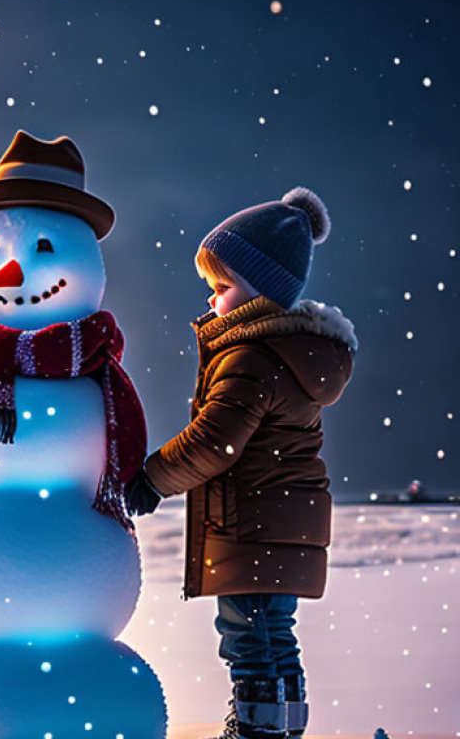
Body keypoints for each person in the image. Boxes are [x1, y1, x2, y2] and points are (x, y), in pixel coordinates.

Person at [122, 187, 357, 739]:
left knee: (245, 634)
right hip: (286, 522)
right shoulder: (298, 358)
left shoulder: (251, 358)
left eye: (222, 288)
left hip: (249, 522)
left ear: (261, 293)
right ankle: (284, 725)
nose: (210, 302)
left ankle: (255, 730)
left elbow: (214, 441)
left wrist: (152, 478)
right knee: (276, 631)